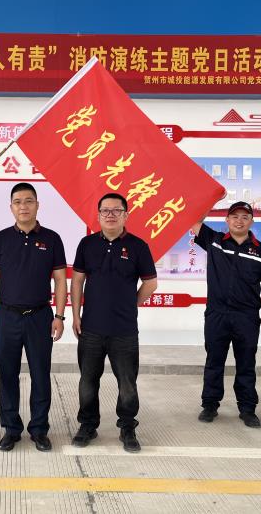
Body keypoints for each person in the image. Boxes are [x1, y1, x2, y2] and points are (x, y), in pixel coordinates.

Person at [70, 192, 157, 453]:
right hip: (91, 329)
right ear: (98, 216)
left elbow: (150, 283)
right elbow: (77, 281)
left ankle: (127, 427)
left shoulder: (138, 246)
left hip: (124, 331)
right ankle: (88, 425)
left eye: (116, 210)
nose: (110, 215)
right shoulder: (86, 244)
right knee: (87, 382)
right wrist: (76, 315)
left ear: (125, 215)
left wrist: (131, 305)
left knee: (127, 384)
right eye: (105, 211)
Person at [0, 182, 67, 452]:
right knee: (7, 375)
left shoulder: (52, 239)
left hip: (40, 317)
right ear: (11, 207)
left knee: (41, 375)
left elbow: (61, 280)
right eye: (18, 202)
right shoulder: (0, 239)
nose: (23, 206)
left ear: (37, 205)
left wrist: (60, 316)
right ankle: (11, 429)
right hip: (6, 317)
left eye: (29, 201)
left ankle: (39, 430)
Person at [191, 201, 261, 428]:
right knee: (214, 361)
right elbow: (194, 221)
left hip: (246, 316)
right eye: (235, 216)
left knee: (246, 363)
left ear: (252, 221)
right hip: (216, 313)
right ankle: (210, 405)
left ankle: (247, 409)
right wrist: (210, 199)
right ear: (227, 220)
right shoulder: (215, 240)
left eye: (245, 217)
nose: (239, 221)